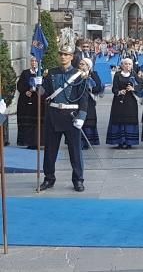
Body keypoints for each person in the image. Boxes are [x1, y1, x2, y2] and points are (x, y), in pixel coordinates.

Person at [39, 34, 90, 192]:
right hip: (53, 114)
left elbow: (84, 98)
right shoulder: (50, 73)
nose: (63, 57)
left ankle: (78, 179)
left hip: (71, 116)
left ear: (72, 57)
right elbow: (44, 93)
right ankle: (49, 178)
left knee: (75, 151)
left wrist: (82, 116)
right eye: (61, 54)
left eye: (66, 54)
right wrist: (37, 85)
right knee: (50, 150)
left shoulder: (78, 74)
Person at [106, 58, 143, 149]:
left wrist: (133, 89)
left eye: (130, 64)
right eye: (126, 64)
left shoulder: (134, 74)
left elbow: (140, 85)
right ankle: (120, 141)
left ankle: (129, 141)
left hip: (130, 101)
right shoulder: (117, 74)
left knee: (129, 120)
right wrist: (119, 92)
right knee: (119, 120)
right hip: (119, 101)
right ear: (122, 65)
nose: (128, 66)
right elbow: (114, 88)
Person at [16, 56, 45, 149]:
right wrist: (26, 91)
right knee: (27, 123)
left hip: (38, 102)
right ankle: (28, 141)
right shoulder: (25, 73)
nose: (33, 63)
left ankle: (38, 142)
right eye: (32, 61)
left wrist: (37, 89)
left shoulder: (42, 73)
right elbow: (20, 85)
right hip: (26, 101)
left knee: (37, 123)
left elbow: (45, 86)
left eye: (35, 61)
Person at [78, 58, 103, 149]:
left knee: (88, 120)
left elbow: (98, 87)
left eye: (83, 64)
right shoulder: (76, 75)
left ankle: (88, 141)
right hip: (78, 101)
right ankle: (78, 141)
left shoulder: (93, 75)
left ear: (88, 66)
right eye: (80, 64)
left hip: (89, 101)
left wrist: (89, 87)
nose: (80, 66)